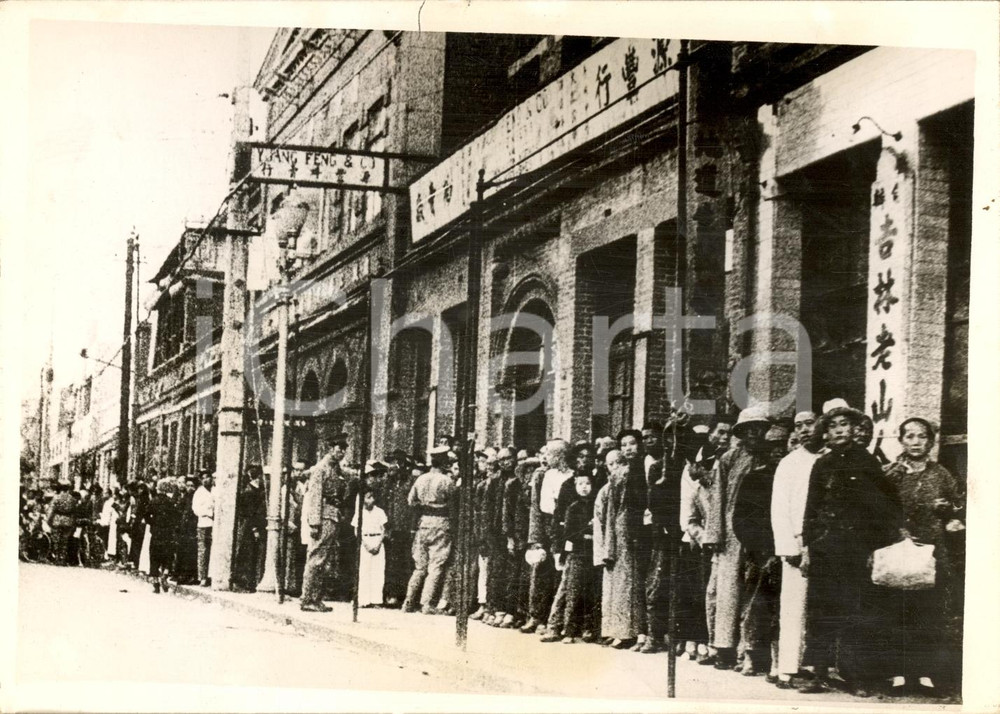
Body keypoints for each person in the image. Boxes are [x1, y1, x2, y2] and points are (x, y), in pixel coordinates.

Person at [800, 405, 907, 696]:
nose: (838, 430)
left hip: (858, 549)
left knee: (856, 612)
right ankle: (817, 673)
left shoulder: (866, 462)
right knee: (822, 611)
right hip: (826, 548)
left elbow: (885, 505)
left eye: (844, 424)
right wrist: (808, 547)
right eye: (832, 426)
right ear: (826, 432)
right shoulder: (821, 465)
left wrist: (878, 546)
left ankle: (856, 677)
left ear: (853, 429)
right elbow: (811, 508)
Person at [882, 417, 965, 697]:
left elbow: (957, 506)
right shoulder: (891, 472)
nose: (916, 442)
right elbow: (880, 508)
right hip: (899, 547)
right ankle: (898, 673)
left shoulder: (941, 474)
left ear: (930, 441)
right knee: (897, 611)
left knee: (928, 612)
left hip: (932, 551)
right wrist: (900, 531)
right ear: (901, 440)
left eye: (921, 437)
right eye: (909, 436)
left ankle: (926, 673)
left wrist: (948, 509)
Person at [705, 407, 771, 670]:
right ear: (742, 433)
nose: (755, 433)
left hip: (760, 531)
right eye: (749, 429)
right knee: (728, 591)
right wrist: (715, 533)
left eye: (759, 428)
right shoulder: (728, 459)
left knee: (755, 591)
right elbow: (718, 497)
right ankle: (724, 647)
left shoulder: (770, 457)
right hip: (731, 533)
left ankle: (751, 650)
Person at [733, 423, 789, 678]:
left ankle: (779, 660)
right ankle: (751, 656)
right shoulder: (755, 478)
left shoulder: (793, 477)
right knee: (755, 606)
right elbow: (741, 519)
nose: (777, 452)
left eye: (782, 446)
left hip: (788, 552)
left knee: (781, 608)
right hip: (760, 553)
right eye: (772, 447)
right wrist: (760, 549)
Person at [769, 410, 820, 689]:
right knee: (793, 607)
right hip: (797, 545)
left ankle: (816, 667)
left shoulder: (829, 459)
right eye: (798, 426)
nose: (804, 430)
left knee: (820, 609)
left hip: (825, 543)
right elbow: (780, 509)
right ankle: (787, 668)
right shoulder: (789, 463)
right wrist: (788, 545)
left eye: (809, 424)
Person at [679, 416, 732, 663]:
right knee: (700, 591)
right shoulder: (699, 490)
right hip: (703, 545)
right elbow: (690, 517)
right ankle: (697, 638)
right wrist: (702, 537)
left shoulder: (729, 473)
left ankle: (718, 643)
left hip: (729, 542)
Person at [593, 449, 646, 648]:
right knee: (614, 589)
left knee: (630, 588)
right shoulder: (607, 490)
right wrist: (603, 550)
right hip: (613, 543)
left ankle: (629, 632)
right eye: (611, 464)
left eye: (619, 463)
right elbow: (600, 520)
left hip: (629, 542)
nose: (616, 468)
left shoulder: (632, 484)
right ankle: (614, 630)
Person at [300, 435, 356, 612]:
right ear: (331, 449)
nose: (341, 452)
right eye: (338, 448)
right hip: (324, 515)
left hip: (333, 515)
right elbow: (315, 496)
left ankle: (316, 598)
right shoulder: (321, 469)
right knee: (316, 559)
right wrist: (315, 522)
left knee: (324, 560)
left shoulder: (335, 468)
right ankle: (308, 598)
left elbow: (347, 476)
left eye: (343, 449)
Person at [528, 439, 575, 637]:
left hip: (567, 527)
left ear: (560, 456)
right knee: (543, 573)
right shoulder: (547, 476)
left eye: (550, 453)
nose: (546, 457)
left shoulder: (573, 475)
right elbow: (543, 506)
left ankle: (557, 621)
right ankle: (539, 616)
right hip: (550, 527)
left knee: (562, 574)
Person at [403, 445, 457, 614]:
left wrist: (424, 505)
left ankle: (408, 602)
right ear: (444, 462)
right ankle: (426, 603)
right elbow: (455, 502)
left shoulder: (421, 479)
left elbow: (411, 501)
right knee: (436, 565)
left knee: (420, 566)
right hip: (441, 522)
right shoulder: (447, 481)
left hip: (423, 523)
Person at [552, 471, 597, 643]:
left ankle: (588, 628)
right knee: (573, 592)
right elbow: (569, 533)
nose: (584, 487)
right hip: (578, 553)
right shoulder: (573, 507)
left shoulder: (596, 505)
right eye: (580, 484)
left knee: (590, 592)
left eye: (587, 484)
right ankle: (568, 630)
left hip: (592, 555)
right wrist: (587, 533)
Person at [382, 451, 417, 607]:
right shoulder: (389, 482)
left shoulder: (410, 481)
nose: (392, 466)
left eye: (395, 462)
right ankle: (390, 593)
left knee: (403, 562)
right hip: (391, 526)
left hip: (405, 527)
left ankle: (400, 594)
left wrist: (412, 526)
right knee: (391, 562)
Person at [232, 466, 267, 593]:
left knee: (254, 554)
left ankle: (251, 581)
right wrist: (254, 529)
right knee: (248, 554)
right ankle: (245, 582)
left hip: (256, 524)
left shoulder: (259, 490)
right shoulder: (248, 492)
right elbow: (248, 512)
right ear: (258, 477)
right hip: (250, 526)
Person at [353, 488, 388, 607]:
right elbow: (356, 530)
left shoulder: (380, 512)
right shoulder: (359, 513)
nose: (371, 500)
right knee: (364, 571)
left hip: (377, 540)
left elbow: (384, 530)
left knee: (377, 572)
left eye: (372, 497)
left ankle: (376, 600)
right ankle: (363, 600)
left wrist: (378, 543)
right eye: (368, 497)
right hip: (365, 542)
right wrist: (365, 543)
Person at [147, 478, 180, 593]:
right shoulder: (171, 503)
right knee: (167, 556)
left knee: (154, 556)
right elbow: (176, 518)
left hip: (156, 533)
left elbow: (146, 516)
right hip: (167, 533)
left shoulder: (153, 501)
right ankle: (165, 575)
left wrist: (153, 523)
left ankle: (155, 582)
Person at [191, 472, 215, 587]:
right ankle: (203, 577)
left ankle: (212, 575)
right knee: (203, 551)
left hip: (215, 525)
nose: (206, 480)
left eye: (208, 477)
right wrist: (209, 513)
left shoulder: (215, 490)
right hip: (204, 524)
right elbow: (196, 509)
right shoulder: (199, 492)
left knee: (213, 550)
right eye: (203, 478)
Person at [46, 482, 77, 566]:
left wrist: (48, 521)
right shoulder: (72, 499)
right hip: (68, 521)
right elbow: (75, 512)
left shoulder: (56, 498)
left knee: (56, 540)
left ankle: (57, 557)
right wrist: (73, 523)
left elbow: (51, 510)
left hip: (57, 520)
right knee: (64, 541)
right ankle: (63, 559)